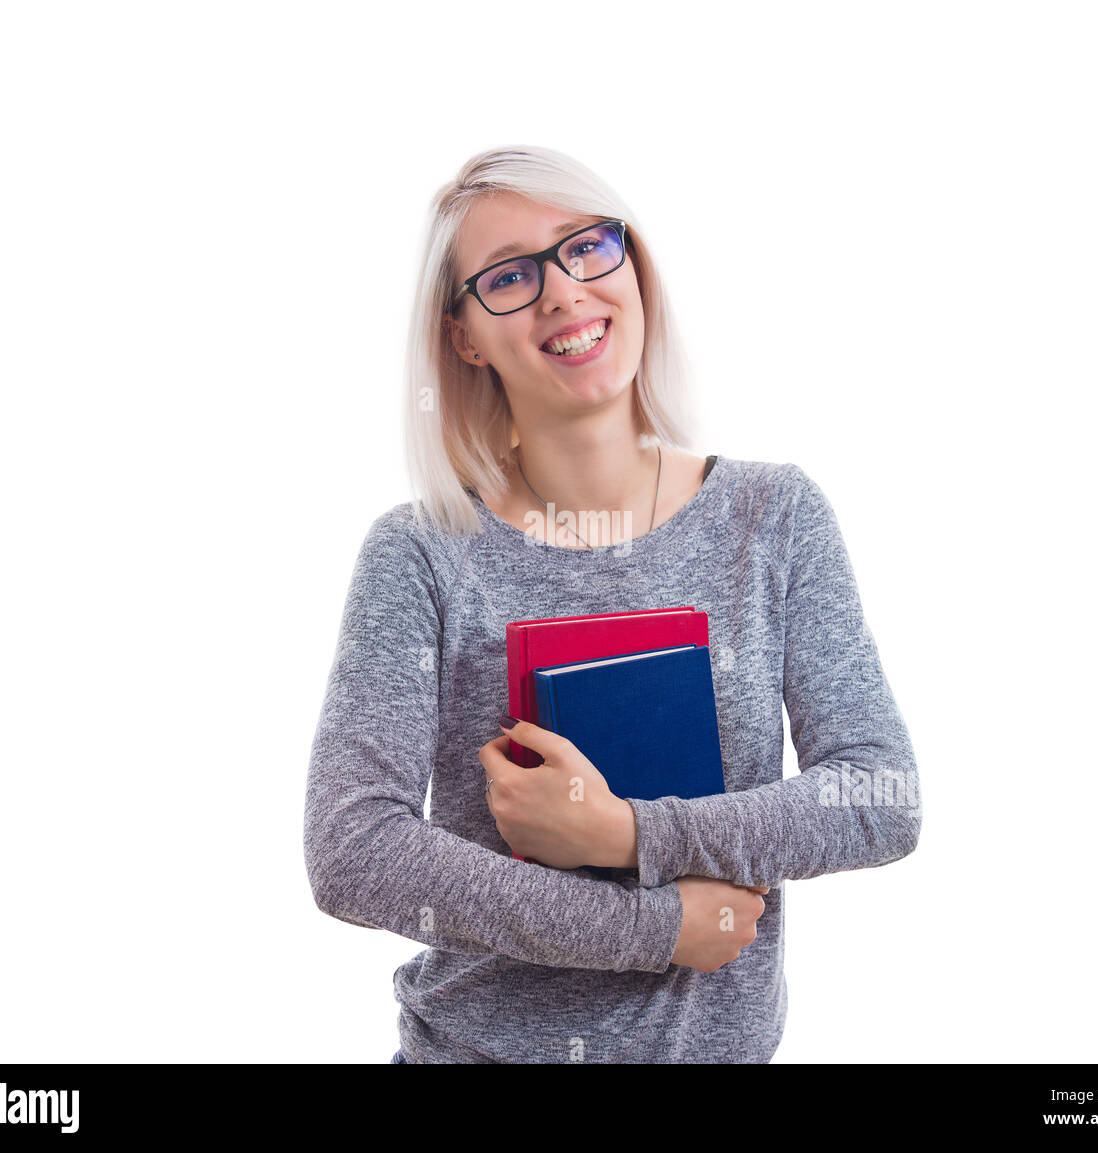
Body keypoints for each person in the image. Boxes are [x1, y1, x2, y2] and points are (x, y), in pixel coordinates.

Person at [303, 145, 921, 1064]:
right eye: (510, 276)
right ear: (464, 336)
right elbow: (353, 848)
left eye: (586, 248)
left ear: (632, 264)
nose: (563, 292)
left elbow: (881, 794)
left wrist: (628, 832)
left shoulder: (775, 517)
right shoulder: (423, 553)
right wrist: (652, 927)